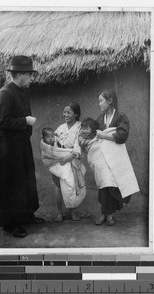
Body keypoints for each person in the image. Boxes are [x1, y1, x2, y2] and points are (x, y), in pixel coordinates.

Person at [0, 55, 43, 238]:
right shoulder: (5, 94)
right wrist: (25, 121)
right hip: (8, 150)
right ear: (19, 74)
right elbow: (1, 122)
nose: (32, 78)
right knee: (11, 184)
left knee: (24, 181)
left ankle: (25, 215)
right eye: (29, 74)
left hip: (21, 146)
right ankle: (10, 223)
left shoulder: (23, 90)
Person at [93, 89, 140, 226]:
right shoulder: (99, 119)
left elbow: (121, 136)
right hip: (103, 157)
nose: (99, 104)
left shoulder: (121, 117)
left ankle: (110, 215)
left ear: (110, 101)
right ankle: (103, 213)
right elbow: (94, 135)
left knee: (114, 185)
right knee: (104, 184)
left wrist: (104, 136)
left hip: (116, 157)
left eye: (101, 101)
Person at [49, 103, 86, 222]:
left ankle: (72, 212)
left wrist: (68, 158)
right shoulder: (60, 128)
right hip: (59, 159)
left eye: (68, 112)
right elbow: (54, 142)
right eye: (64, 112)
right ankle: (60, 213)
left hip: (72, 158)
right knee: (58, 186)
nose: (65, 114)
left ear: (76, 114)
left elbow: (78, 145)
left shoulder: (80, 127)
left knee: (73, 185)